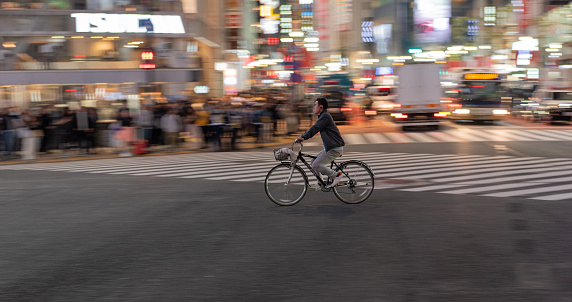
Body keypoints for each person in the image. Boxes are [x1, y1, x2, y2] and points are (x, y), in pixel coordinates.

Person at [296, 97, 345, 188]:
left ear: (321, 107)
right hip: (330, 148)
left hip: (334, 149)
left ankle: (336, 175)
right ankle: (321, 182)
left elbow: (314, 128)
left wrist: (303, 137)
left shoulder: (325, 116)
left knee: (316, 165)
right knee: (313, 160)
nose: (314, 107)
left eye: (315, 105)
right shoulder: (323, 116)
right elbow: (315, 128)